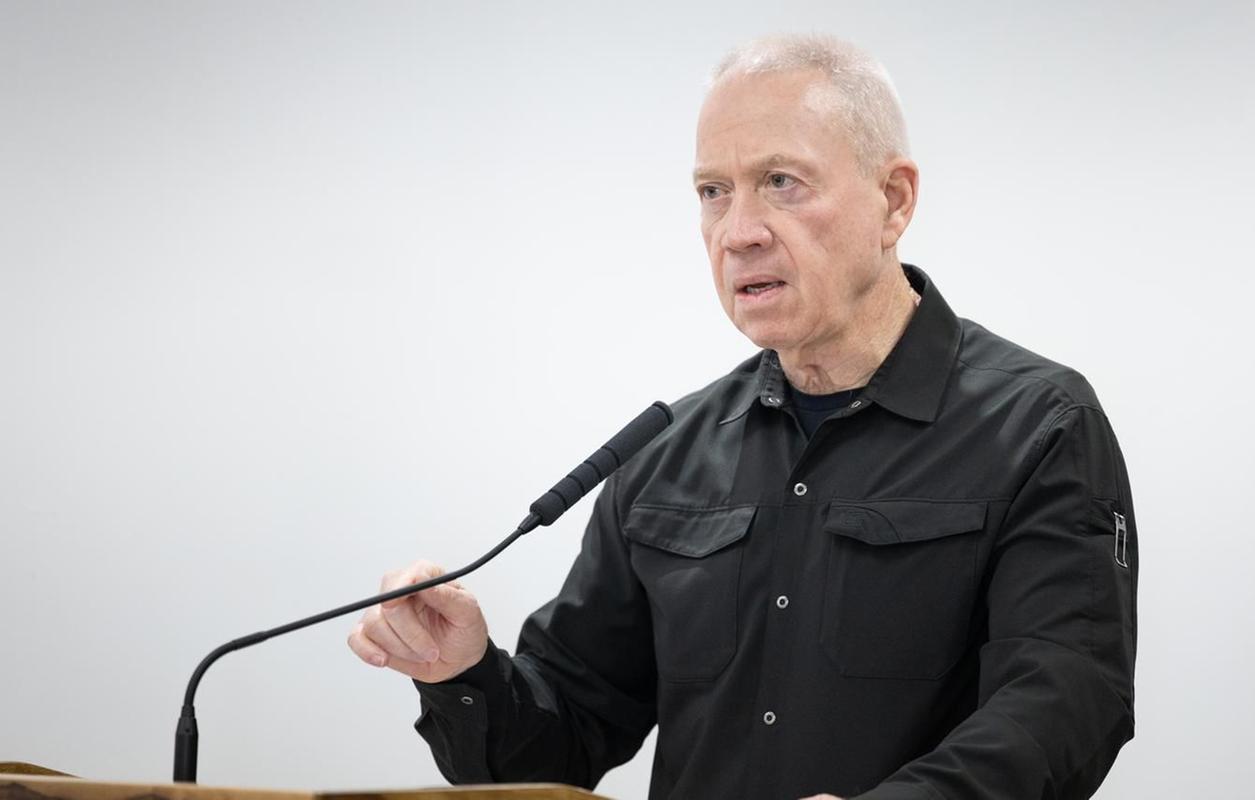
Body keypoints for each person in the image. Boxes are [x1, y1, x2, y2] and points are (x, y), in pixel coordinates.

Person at [347, 33, 1137, 800]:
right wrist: (466, 672)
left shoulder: (1039, 427)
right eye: (712, 192)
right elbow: (563, 745)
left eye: (782, 182)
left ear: (893, 201)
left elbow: (1065, 708)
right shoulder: (666, 456)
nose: (738, 232)